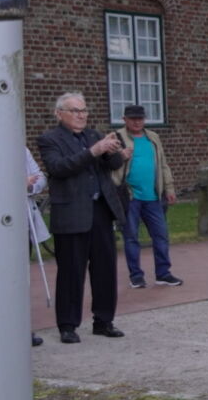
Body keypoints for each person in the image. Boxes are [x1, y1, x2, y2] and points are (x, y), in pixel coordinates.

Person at [37, 93, 127, 343]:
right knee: (71, 272)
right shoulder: (49, 139)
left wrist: (113, 151)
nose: (81, 115)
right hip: (71, 213)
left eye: (84, 110)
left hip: (100, 211)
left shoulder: (95, 135)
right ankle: (68, 325)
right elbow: (59, 168)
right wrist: (94, 151)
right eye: (75, 110)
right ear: (59, 114)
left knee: (105, 269)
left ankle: (104, 320)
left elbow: (114, 164)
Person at [112, 105, 182, 288]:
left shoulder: (153, 138)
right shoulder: (116, 138)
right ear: (125, 119)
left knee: (161, 235)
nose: (137, 122)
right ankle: (136, 275)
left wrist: (169, 188)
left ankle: (163, 273)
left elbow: (163, 165)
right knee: (131, 236)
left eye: (140, 118)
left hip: (153, 195)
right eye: (133, 118)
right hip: (130, 196)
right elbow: (108, 165)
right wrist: (120, 156)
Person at [26, 146, 50, 347]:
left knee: (21, 278)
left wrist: (29, 186)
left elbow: (39, 178)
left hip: (20, 223)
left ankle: (22, 326)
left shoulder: (18, 148)